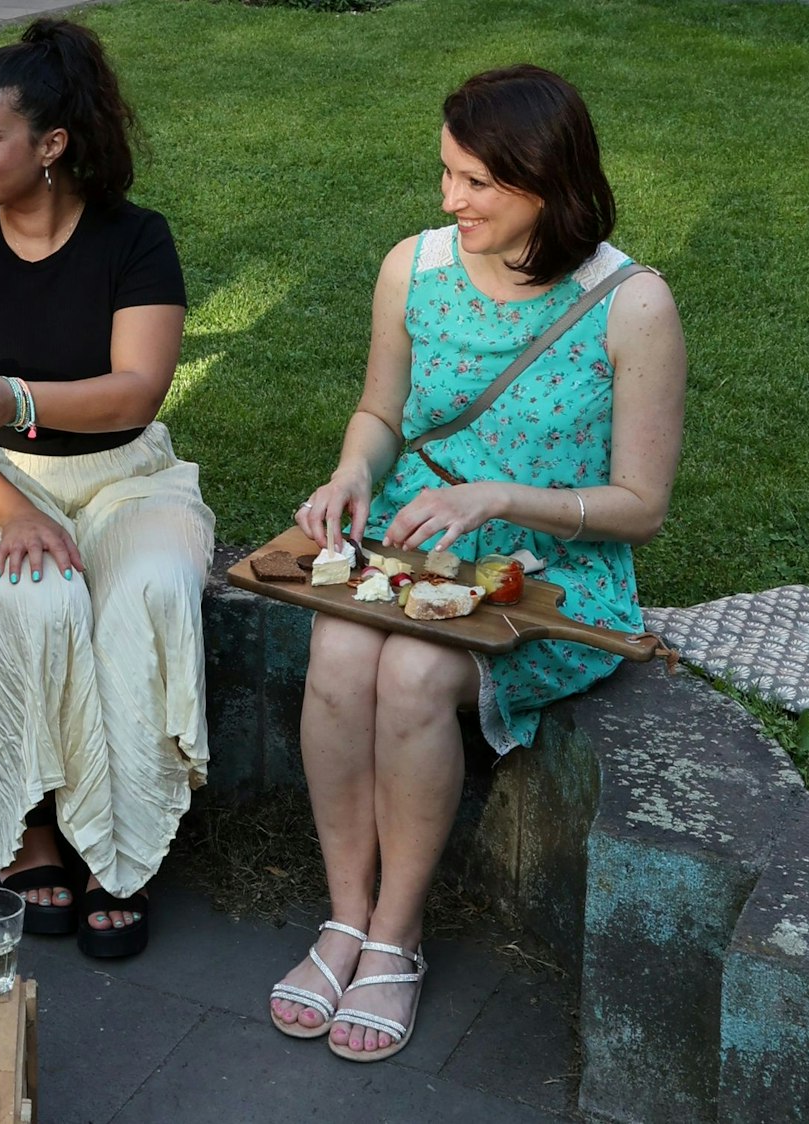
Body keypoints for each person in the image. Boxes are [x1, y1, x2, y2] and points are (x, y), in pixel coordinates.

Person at [268, 65, 687, 1063]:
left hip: (546, 568)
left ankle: (396, 935)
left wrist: (497, 499)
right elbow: (380, 413)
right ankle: (344, 913)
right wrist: (351, 474)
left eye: (477, 183)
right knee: (337, 648)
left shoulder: (633, 306)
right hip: (415, 539)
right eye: (446, 174)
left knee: (412, 670)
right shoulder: (411, 268)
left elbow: (642, 505)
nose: (449, 200)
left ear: (549, 181)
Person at [0, 18, 215, 961]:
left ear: (52, 145)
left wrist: (18, 395)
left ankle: (121, 850)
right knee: (41, 602)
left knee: (148, 591)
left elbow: (137, 389)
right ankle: (33, 828)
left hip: (127, 478)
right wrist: (17, 508)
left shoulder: (136, 240)